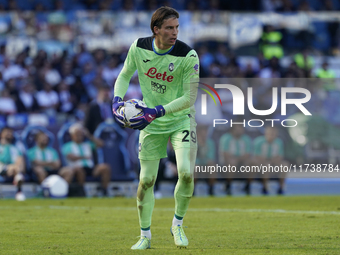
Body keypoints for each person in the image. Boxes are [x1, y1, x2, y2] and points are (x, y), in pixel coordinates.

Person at [111, 6, 199, 249]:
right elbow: (124, 75)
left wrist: (157, 110)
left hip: (180, 119)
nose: (175, 33)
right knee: (147, 180)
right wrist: (117, 100)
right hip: (151, 123)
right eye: (169, 28)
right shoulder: (138, 47)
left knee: (186, 173)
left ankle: (177, 225)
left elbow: (190, 98)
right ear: (156, 30)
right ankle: (145, 236)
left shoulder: (188, 55)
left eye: (177, 27)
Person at [61, 123, 111, 196]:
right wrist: (84, 157)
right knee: (79, 170)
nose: (79, 136)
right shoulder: (67, 146)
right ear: (72, 135)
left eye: (81, 134)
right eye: (77, 134)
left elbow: (101, 144)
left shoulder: (87, 144)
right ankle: (81, 190)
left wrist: (89, 136)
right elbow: (72, 157)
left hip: (90, 168)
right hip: (77, 169)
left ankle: (104, 190)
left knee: (105, 167)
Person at [253, 126, 288, 195]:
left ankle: (281, 187)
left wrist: (272, 161)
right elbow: (256, 156)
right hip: (261, 164)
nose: (272, 136)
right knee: (266, 166)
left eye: (274, 134)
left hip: (273, 163)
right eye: (270, 133)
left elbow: (280, 156)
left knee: (285, 165)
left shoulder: (279, 142)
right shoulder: (259, 142)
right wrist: (267, 161)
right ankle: (265, 187)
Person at [219, 125, 252, 195]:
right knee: (232, 163)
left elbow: (247, 154)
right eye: (238, 129)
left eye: (241, 129)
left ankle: (248, 185)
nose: (240, 131)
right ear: (233, 130)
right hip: (227, 162)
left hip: (242, 161)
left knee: (252, 163)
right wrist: (236, 159)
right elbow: (225, 154)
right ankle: (228, 185)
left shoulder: (246, 139)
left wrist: (238, 159)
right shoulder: (226, 138)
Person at [0, 127, 25, 201]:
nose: (9, 133)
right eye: (6, 132)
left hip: (12, 170)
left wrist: (15, 167)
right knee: (16, 170)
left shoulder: (16, 149)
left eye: (10, 132)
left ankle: (19, 191)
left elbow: (20, 162)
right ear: (1, 134)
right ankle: (19, 192)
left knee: (17, 169)